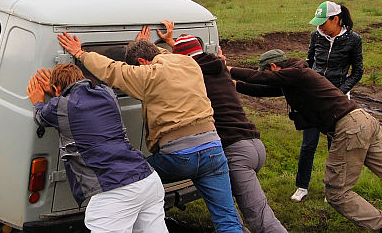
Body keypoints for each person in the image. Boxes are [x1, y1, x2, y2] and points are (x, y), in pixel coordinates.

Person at [229, 49, 382, 233]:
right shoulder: (295, 78)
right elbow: (263, 89)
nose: (267, 77)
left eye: (267, 72)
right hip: (364, 121)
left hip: (349, 128)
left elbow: (263, 79)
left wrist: (228, 69)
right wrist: (236, 85)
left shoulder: (298, 73)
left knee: (337, 193)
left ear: (273, 66)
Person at [57, 24, 242, 233]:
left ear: (143, 62)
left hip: (178, 157)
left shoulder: (148, 76)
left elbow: (112, 70)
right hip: (213, 151)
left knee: (131, 177)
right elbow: (163, 55)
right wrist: (146, 45)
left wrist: (80, 54)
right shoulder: (188, 63)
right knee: (227, 219)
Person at [160, 26, 286, 233]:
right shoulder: (219, 67)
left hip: (234, 151)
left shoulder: (193, 76)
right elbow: (194, 56)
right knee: (230, 211)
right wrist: (175, 43)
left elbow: (185, 63)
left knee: (257, 218)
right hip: (254, 145)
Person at [28, 64, 167, 233]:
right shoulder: (108, 94)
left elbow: (41, 117)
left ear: (56, 89)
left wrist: (38, 101)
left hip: (115, 192)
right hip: (148, 180)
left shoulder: (60, 106)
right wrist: (61, 94)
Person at [292, 0, 364, 202]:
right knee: (308, 144)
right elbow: (310, 61)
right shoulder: (316, 35)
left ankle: (332, 189)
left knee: (335, 146)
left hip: (338, 99)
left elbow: (358, 71)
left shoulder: (354, 39)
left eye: (324, 22)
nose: (320, 26)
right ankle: (301, 186)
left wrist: (340, 92)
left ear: (336, 19)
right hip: (313, 96)